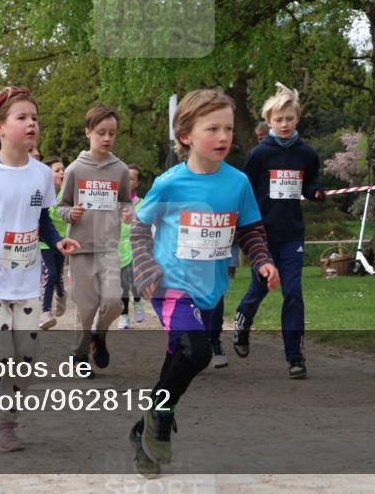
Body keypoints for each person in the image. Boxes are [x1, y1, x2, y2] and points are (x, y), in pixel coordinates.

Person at [129, 89, 279, 477]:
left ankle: (148, 427)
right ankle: (160, 417)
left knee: (179, 358)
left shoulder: (238, 182)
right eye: (212, 128)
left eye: (228, 128)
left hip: (210, 289)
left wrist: (261, 260)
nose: (223, 136)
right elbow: (140, 226)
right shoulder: (169, 183)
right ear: (186, 136)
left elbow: (250, 228)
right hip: (170, 284)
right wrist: (144, 264)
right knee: (195, 351)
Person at [0, 86, 79, 451]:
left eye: (35, 118)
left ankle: (4, 424)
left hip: (26, 281)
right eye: (22, 118)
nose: (31, 124)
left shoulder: (42, 174)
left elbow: (42, 220)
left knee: (24, 360)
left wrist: (57, 241)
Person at [233, 83, 325, 379]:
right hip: (261, 234)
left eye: (289, 119)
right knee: (258, 290)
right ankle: (243, 322)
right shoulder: (260, 155)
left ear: (297, 119)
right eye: (278, 119)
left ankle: (295, 357)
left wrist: (316, 192)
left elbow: (309, 184)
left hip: (292, 234)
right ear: (269, 121)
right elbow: (244, 189)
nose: (284, 124)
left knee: (294, 292)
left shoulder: (306, 154)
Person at [56, 104, 132, 373]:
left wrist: (127, 211)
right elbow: (61, 206)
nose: (107, 138)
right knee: (86, 308)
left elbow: (126, 200)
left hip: (109, 247)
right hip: (80, 248)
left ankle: (99, 337)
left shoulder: (120, 169)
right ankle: (78, 355)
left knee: (113, 301)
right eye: (101, 132)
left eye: (112, 133)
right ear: (88, 132)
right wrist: (70, 214)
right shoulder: (75, 169)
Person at [39, 155, 69, 329]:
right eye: (57, 170)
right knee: (50, 273)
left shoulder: (68, 193)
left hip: (62, 241)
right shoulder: (41, 192)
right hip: (44, 242)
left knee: (57, 274)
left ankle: (62, 294)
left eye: (63, 169)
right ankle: (45, 312)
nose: (62, 172)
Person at [118, 163, 144, 329]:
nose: (128, 182)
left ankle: (137, 301)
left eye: (132, 179)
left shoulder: (143, 203)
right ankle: (124, 316)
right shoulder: (114, 203)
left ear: (137, 183)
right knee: (122, 285)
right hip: (119, 248)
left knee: (134, 282)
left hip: (137, 247)